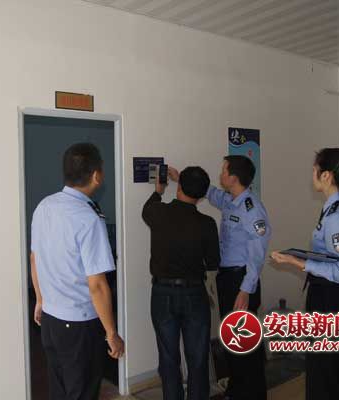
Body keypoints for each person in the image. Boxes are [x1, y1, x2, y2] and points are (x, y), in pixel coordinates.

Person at [271, 148, 339, 400]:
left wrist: (299, 262)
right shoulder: (338, 207)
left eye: (314, 170)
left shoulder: (337, 216)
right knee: (337, 377)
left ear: (327, 176)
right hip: (337, 300)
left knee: (328, 378)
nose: (312, 174)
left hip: (334, 303)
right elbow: (334, 257)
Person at [170, 155, 271, 400]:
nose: (220, 174)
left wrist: (245, 290)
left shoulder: (252, 209)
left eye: (224, 171)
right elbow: (212, 193)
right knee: (234, 340)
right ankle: (239, 389)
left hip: (241, 281)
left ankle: (250, 394)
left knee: (244, 342)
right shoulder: (231, 200)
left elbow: (257, 255)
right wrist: (181, 178)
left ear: (233, 177)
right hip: (228, 279)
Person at [30, 143, 124, 400]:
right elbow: (98, 285)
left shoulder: (44, 206)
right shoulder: (89, 218)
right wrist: (111, 334)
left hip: (50, 320)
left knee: (60, 391)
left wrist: (40, 300)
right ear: (96, 175)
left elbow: (34, 258)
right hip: (79, 325)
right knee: (82, 392)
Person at [142, 166, 220, 400]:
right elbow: (213, 262)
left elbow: (146, 209)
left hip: (162, 293)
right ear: (202, 195)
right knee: (198, 358)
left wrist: (158, 190)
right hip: (195, 293)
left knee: (168, 358)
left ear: (179, 188)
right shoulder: (207, 223)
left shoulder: (159, 212)